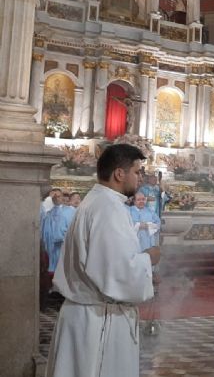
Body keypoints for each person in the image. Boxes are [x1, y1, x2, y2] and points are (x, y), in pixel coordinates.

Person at [45, 144, 159, 377]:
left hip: (85, 315)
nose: (140, 178)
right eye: (137, 172)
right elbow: (116, 273)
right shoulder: (108, 208)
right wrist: (149, 258)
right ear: (119, 173)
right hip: (99, 320)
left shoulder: (95, 201)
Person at [41, 190, 76, 273]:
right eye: (54, 196)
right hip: (50, 246)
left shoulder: (71, 211)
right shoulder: (48, 212)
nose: (56, 198)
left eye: (59, 196)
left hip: (62, 245)